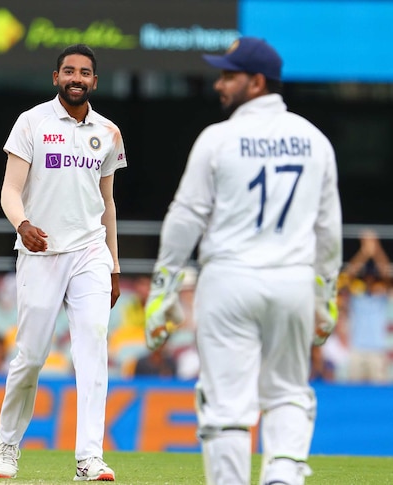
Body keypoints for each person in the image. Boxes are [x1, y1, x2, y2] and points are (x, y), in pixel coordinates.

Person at [143, 37, 342, 485]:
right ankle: (283, 476)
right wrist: (325, 294)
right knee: (288, 391)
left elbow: (186, 216)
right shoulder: (315, 140)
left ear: (256, 82)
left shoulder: (218, 138)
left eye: (228, 76)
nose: (219, 84)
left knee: (227, 403)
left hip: (228, 279)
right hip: (292, 281)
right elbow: (328, 230)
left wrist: (164, 286)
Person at [0, 43, 126, 482]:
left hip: (90, 252)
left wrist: (115, 265)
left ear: (95, 81)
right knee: (31, 356)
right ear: (56, 77)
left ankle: (89, 457)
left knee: (93, 351)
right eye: (69, 71)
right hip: (41, 250)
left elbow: (107, 202)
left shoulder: (109, 131)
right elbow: (9, 190)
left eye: (85, 72)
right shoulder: (32, 122)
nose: (76, 78)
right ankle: (7, 445)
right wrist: (22, 223)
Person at [341, 229, 390, 383]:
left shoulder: (382, 298)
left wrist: (376, 249)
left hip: (378, 351)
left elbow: (386, 273)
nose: (369, 279)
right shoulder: (356, 297)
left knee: (380, 396)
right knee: (353, 394)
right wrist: (364, 252)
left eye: (373, 277)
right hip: (357, 350)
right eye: (366, 277)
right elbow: (348, 277)